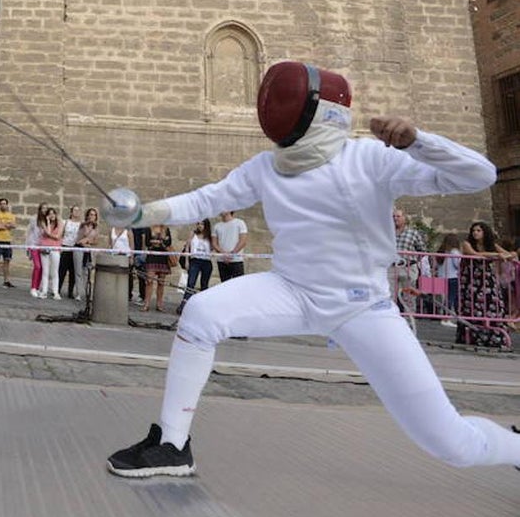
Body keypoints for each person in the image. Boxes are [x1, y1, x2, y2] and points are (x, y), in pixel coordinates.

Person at [104, 61, 520, 480]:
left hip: (362, 306)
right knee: (202, 312)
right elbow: (207, 199)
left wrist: (418, 142)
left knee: (451, 444)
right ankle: (172, 445)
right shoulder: (266, 167)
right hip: (291, 290)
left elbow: (479, 174)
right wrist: (143, 213)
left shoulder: (370, 158)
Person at [457, 221, 515, 348]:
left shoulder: (491, 245)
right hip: (472, 279)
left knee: (493, 306)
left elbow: (509, 254)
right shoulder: (467, 244)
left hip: (487, 279)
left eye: (478, 231)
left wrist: (507, 254)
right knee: (471, 307)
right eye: (474, 231)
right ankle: (472, 335)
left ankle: (494, 335)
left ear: (485, 232)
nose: (475, 233)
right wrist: (497, 255)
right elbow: (474, 254)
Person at [389, 207, 428, 315]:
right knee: (390, 295)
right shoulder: (388, 233)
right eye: (393, 216)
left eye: (398, 216)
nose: (395, 218)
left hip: (408, 267)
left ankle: (409, 322)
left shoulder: (413, 233)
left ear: (404, 218)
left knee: (409, 297)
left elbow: (422, 250)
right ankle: (391, 320)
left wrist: (413, 262)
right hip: (392, 267)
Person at [178, 219, 214, 315]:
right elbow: (187, 248)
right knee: (191, 283)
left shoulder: (210, 237)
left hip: (206, 261)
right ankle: (184, 305)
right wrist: (186, 261)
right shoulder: (193, 234)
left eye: (202, 224)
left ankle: (202, 308)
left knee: (204, 285)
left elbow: (214, 247)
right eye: (198, 224)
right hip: (195, 260)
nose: (199, 226)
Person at [212, 210, 247, 282]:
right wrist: (223, 254)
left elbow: (243, 241)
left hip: (236, 260)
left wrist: (232, 254)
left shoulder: (240, 223)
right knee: (224, 285)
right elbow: (214, 243)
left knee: (239, 285)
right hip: (222, 260)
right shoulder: (216, 226)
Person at [0, 198, 17, 288]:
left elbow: (14, 225)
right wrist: (7, 225)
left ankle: (6, 280)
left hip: (7, 240)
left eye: (5, 204)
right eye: (1, 204)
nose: (3, 205)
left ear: (7, 205)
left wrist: (3, 224)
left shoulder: (11, 215)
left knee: (7, 261)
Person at [74, 207, 99, 302]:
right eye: (91, 214)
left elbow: (96, 241)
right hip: (79, 249)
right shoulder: (82, 225)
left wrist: (88, 241)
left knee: (86, 272)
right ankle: (79, 293)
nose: (92, 216)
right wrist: (86, 237)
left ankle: (87, 293)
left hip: (88, 250)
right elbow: (79, 239)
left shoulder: (96, 227)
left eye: (94, 215)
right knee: (78, 271)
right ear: (87, 215)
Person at [38, 207, 63, 300]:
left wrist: (50, 235)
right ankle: (44, 291)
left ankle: (55, 292)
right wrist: (48, 222)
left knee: (54, 271)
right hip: (45, 248)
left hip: (55, 248)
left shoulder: (60, 223)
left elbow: (58, 236)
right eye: (49, 214)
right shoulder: (44, 223)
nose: (52, 215)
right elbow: (47, 232)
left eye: (53, 213)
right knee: (45, 271)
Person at [58, 205, 82, 299]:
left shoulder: (81, 224)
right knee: (62, 270)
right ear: (71, 212)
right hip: (65, 247)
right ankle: (58, 289)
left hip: (75, 248)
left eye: (78, 210)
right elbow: (61, 234)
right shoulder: (66, 222)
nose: (76, 212)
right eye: (75, 210)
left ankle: (70, 291)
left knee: (73, 271)